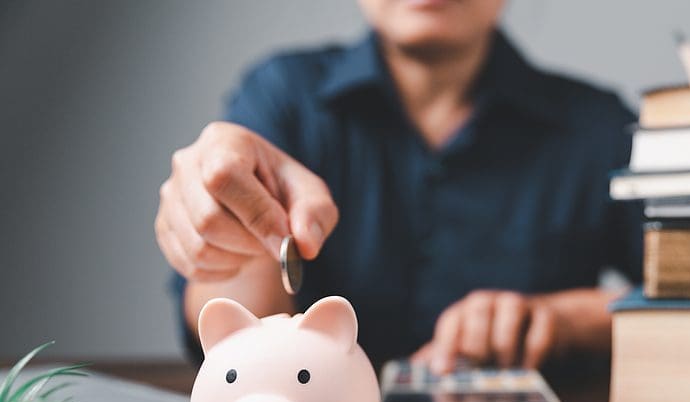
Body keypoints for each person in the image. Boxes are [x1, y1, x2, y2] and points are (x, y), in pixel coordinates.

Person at [156, 0, 641, 372]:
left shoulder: (598, 126)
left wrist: (564, 321)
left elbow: (682, 305)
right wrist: (229, 222)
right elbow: (238, 333)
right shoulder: (283, 95)